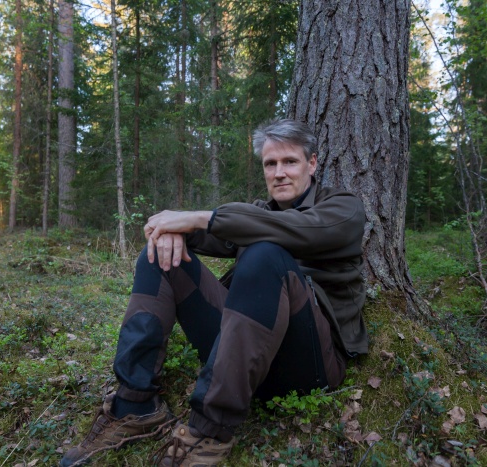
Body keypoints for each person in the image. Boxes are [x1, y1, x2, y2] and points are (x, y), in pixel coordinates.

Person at [60, 119, 368, 467]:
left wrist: (199, 217)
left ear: (311, 164)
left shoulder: (342, 208)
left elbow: (303, 230)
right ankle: (134, 404)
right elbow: (217, 231)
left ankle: (210, 428)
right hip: (244, 355)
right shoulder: (257, 213)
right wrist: (172, 230)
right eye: (270, 164)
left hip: (309, 362)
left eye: (290, 162)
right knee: (160, 255)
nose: (279, 173)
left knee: (265, 253)